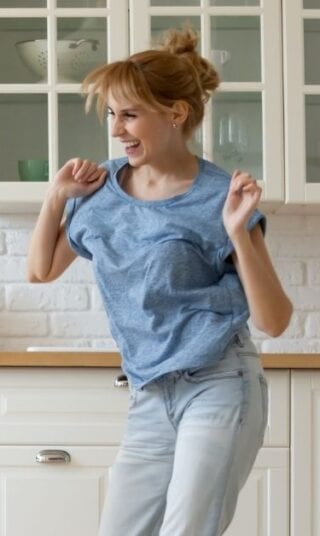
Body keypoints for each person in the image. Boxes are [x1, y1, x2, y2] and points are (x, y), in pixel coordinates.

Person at [27, 28, 293, 536]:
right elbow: (41, 270)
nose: (115, 130)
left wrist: (238, 232)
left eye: (129, 114)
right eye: (111, 114)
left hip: (218, 382)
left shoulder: (221, 196)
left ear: (176, 113)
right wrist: (56, 198)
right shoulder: (99, 188)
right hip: (149, 392)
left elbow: (275, 321)